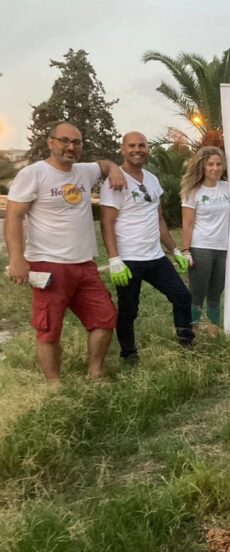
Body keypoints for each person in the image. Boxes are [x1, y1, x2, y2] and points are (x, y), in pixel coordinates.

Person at [4, 122, 125, 381]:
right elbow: (13, 216)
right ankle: (55, 386)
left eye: (77, 142)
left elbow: (103, 164)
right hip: (48, 265)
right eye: (64, 141)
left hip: (84, 265)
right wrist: (16, 258)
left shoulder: (84, 171)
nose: (71, 147)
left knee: (105, 319)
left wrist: (114, 169)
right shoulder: (34, 173)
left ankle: (95, 374)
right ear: (50, 142)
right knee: (49, 329)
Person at [99, 131, 193, 364]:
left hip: (155, 257)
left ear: (147, 149)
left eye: (142, 145)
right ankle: (129, 354)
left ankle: (186, 343)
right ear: (123, 149)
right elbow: (107, 223)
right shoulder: (116, 180)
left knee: (182, 296)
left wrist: (175, 250)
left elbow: (159, 218)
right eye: (132, 145)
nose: (137, 150)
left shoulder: (152, 179)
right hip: (128, 259)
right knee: (129, 310)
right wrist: (114, 260)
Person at [180, 146, 230, 335]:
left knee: (216, 293)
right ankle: (190, 329)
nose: (215, 168)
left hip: (223, 249)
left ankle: (213, 329)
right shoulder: (193, 191)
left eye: (219, 164)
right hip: (201, 247)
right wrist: (186, 251)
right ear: (202, 165)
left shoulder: (228, 187)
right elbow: (187, 223)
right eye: (210, 164)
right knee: (197, 293)